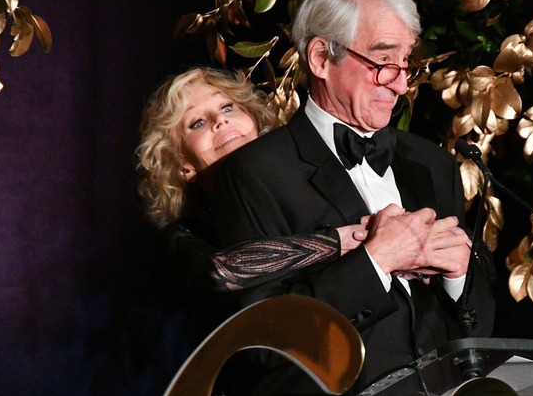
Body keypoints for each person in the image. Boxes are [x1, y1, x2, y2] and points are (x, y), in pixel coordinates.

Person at [211, 0, 496, 394]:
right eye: (383, 63)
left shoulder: (432, 163)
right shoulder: (257, 172)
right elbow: (261, 344)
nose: (400, 84)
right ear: (322, 58)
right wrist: (375, 262)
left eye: (407, 65)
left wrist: (460, 277)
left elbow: (478, 328)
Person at [135, 67, 367, 296]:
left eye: (227, 108)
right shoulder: (183, 233)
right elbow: (219, 271)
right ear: (181, 164)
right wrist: (338, 241)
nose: (220, 120)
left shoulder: (311, 180)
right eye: (197, 123)